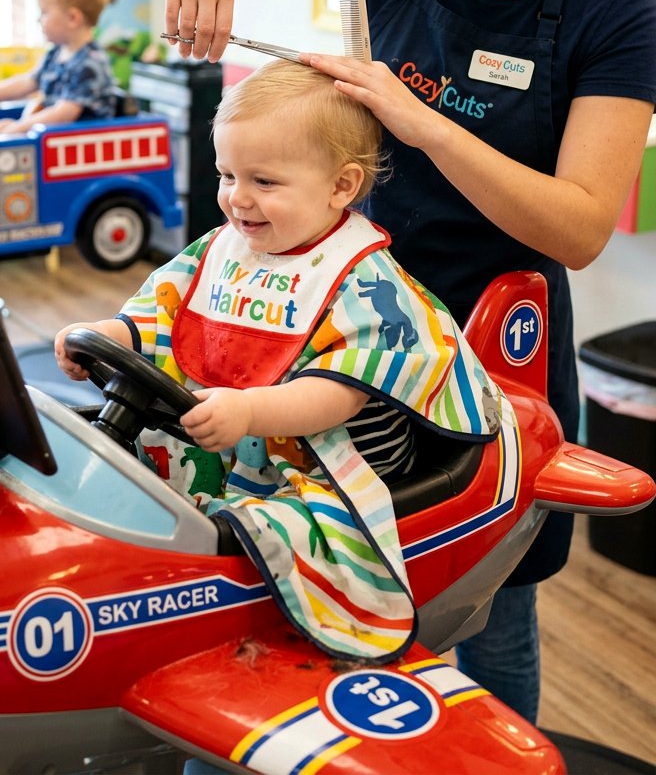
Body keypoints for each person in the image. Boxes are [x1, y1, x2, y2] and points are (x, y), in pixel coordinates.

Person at [138, 0, 656, 724]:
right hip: (343, 331)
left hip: (489, 361)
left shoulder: (617, 11)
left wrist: (417, 121)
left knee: (485, 608)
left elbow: (579, 226)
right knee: (319, 580)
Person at [56, 59, 503, 666]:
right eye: (226, 174)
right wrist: (106, 334)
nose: (236, 198)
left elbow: (335, 396)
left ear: (341, 187)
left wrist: (248, 411)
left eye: (263, 181)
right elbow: (163, 311)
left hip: (326, 464)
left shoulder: (362, 279)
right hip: (231, 444)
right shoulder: (224, 248)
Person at [0, 0, 118, 135]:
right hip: (55, 139)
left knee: (5, 131)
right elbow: (28, 82)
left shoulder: (90, 64)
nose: (39, 20)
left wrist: (16, 129)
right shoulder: (56, 53)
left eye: (45, 12)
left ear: (72, 18)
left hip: (82, 142)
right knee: (0, 126)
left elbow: (63, 114)